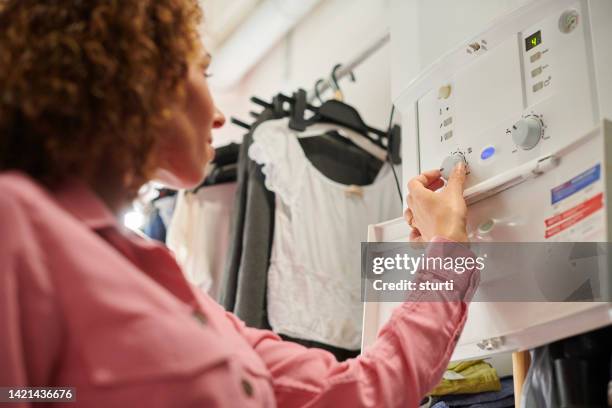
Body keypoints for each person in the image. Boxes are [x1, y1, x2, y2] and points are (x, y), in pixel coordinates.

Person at [0, 1, 476, 407]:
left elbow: (361, 389)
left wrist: (446, 248)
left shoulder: (178, 298)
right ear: (138, 77)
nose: (221, 113)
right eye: (202, 71)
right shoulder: (16, 226)